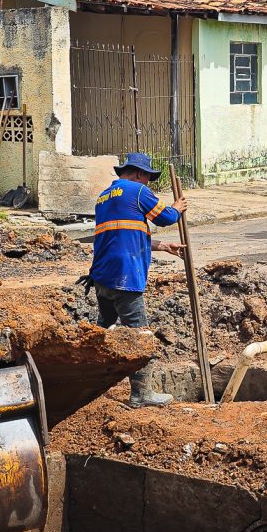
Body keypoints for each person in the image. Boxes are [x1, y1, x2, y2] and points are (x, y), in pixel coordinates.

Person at [87, 152, 187, 407]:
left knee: (103, 330)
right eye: (148, 178)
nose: (149, 183)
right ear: (139, 174)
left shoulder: (104, 197)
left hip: (102, 277)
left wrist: (162, 246)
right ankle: (141, 394)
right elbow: (166, 218)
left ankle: (89, 383)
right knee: (140, 335)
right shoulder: (138, 190)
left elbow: (123, 235)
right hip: (125, 277)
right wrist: (176, 208)